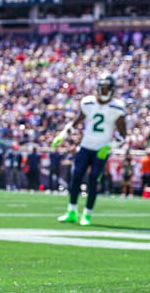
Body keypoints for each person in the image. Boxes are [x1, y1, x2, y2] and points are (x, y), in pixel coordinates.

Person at [52, 73, 127, 226]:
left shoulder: (117, 107)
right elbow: (76, 121)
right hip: (85, 146)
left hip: (101, 149)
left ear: (112, 90)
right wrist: (63, 134)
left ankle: (87, 214)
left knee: (93, 179)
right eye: (103, 88)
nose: (105, 92)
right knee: (76, 176)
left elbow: (123, 136)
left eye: (107, 89)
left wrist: (109, 147)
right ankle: (71, 211)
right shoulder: (88, 103)